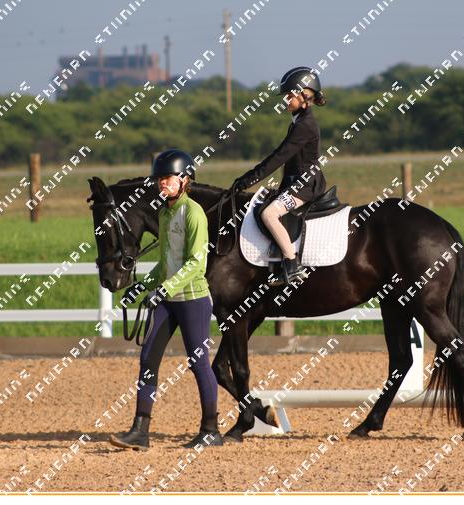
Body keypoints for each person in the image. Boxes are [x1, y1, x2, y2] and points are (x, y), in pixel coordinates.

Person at [109, 149, 223, 451]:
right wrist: (143, 285)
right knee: (148, 358)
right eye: (159, 178)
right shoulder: (164, 213)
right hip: (167, 298)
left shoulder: (193, 213)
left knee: (198, 362)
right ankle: (140, 431)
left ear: (185, 179)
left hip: (193, 299)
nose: (162, 183)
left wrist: (166, 288)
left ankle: (211, 429)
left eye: (168, 178)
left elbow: (196, 263)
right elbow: (165, 262)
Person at [231, 66, 328, 286]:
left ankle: (292, 264)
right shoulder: (298, 120)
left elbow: (279, 157)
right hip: (296, 183)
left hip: (304, 186)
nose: (285, 100)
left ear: (304, 96)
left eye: (289, 95)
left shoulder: (305, 125)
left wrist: (249, 179)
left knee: (269, 214)